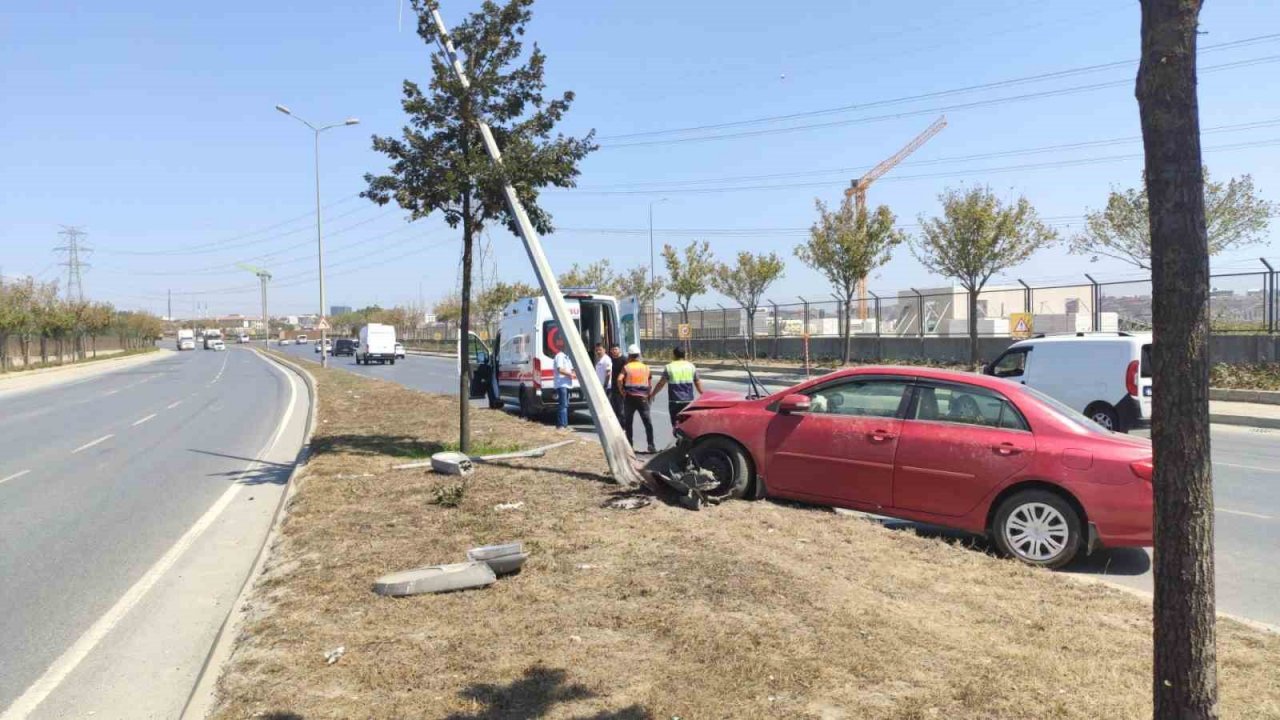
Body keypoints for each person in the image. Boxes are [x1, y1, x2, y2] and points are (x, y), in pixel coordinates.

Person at [616, 344, 656, 453]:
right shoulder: (646, 367)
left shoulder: (626, 367)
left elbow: (619, 379)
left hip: (629, 398)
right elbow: (649, 383)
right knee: (647, 422)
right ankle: (651, 445)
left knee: (628, 422)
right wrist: (649, 394)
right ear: (639, 355)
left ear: (629, 356)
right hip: (643, 398)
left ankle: (630, 445)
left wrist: (622, 391)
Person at [650, 346, 703, 422]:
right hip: (688, 401)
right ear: (684, 355)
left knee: (676, 424)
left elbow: (661, 383)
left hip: (674, 402)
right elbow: (697, 382)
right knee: (687, 424)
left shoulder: (669, 367)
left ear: (674, 355)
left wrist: (653, 394)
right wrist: (703, 394)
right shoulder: (691, 366)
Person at [552, 345, 575, 431]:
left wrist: (574, 373)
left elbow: (572, 369)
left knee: (566, 405)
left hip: (567, 384)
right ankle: (561, 425)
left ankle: (565, 425)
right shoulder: (560, 356)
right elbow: (560, 369)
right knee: (563, 405)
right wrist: (570, 374)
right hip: (561, 384)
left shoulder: (567, 357)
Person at [608, 343, 627, 421]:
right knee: (613, 408)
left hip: (621, 387)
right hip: (613, 387)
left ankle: (623, 425)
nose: (614, 351)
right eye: (613, 349)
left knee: (621, 409)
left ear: (619, 350)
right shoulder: (610, 360)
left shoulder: (624, 360)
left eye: (616, 349)